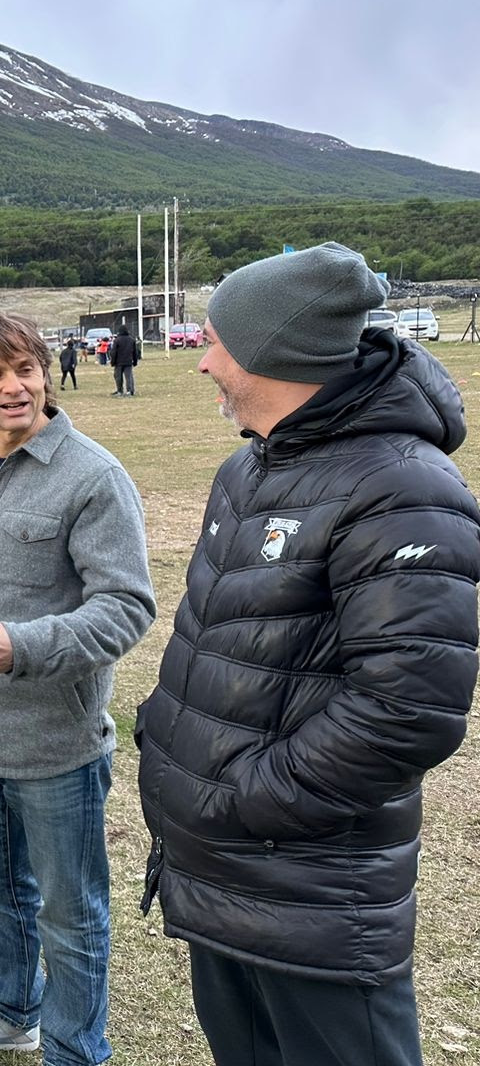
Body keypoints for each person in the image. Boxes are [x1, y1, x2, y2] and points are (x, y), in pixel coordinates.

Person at [136, 243, 480, 1066]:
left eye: (214, 341)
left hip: (311, 894)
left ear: (273, 353)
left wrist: (244, 798)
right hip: (221, 874)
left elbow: (406, 712)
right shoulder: (249, 467)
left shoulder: (404, 489)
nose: (202, 362)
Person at [0, 310, 155, 1064]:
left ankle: (75, 1051)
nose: (14, 387)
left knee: (72, 918)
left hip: (55, 743)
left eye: (25, 369)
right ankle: (9, 1010)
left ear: (46, 374)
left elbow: (127, 606)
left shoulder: (94, 476)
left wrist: (24, 645)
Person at [109, 326, 139, 397]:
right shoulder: (132, 340)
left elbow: (113, 352)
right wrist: (135, 361)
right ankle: (130, 391)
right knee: (129, 376)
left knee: (118, 377)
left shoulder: (117, 340)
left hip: (118, 362)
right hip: (128, 361)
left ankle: (120, 391)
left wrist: (113, 362)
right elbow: (135, 352)